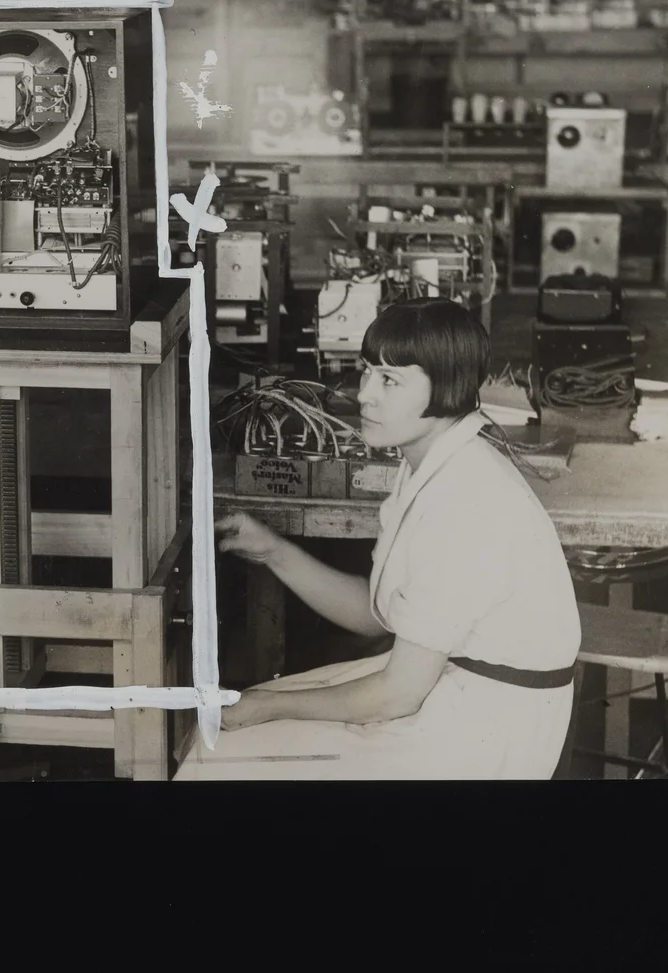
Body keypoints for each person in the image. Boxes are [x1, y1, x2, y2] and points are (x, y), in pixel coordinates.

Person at [174, 297, 581, 780]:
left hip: (483, 727)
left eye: (390, 380)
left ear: (446, 388)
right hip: (450, 686)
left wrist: (268, 706)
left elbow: (397, 694)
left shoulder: (466, 499)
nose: (364, 394)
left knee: (223, 749)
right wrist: (275, 552)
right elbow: (376, 616)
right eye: (367, 372)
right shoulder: (430, 464)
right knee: (228, 728)